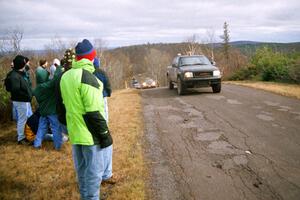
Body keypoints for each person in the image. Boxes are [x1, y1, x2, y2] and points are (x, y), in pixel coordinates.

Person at [58, 39, 113, 200]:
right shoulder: (89, 78)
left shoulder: (65, 76)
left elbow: (61, 107)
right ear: (92, 57)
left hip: (75, 132)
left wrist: (66, 128)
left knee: (82, 170)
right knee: (95, 173)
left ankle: (85, 196)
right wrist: (105, 134)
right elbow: (94, 112)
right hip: (90, 134)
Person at [93, 58, 115, 184]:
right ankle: (106, 173)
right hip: (102, 97)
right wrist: (108, 93)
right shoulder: (101, 72)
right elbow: (108, 85)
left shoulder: (86, 73)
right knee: (104, 120)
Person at [33, 60, 63, 150]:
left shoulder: (37, 88)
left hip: (43, 111)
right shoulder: (48, 85)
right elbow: (56, 78)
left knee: (41, 127)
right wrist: (59, 67)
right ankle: (58, 146)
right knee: (56, 128)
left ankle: (37, 144)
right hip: (51, 111)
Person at [4, 55, 33, 145]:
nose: (25, 65)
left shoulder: (17, 73)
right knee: (22, 119)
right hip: (21, 101)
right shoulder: (15, 76)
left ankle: (23, 135)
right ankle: (21, 138)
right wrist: (26, 96)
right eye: (24, 63)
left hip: (22, 101)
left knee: (23, 118)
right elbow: (15, 90)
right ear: (21, 65)